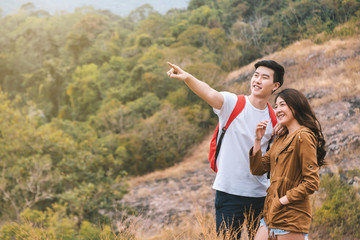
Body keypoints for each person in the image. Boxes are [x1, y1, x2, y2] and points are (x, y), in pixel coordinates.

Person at [167, 60, 285, 238]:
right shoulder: (232, 104)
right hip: (229, 193)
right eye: (256, 75)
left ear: (275, 85)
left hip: (261, 195)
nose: (257, 80)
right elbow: (208, 91)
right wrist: (187, 77)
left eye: (264, 77)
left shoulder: (275, 118)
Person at [249, 88, 326, 240]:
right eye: (276, 106)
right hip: (271, 215)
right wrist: (258, 139)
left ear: (295, 107)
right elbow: (257, 169)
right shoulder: (280, 138)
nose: (277, 110)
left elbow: (311, 182)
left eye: (282, 105)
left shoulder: (303, 136)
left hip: (291, 217)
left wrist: (282, 201)